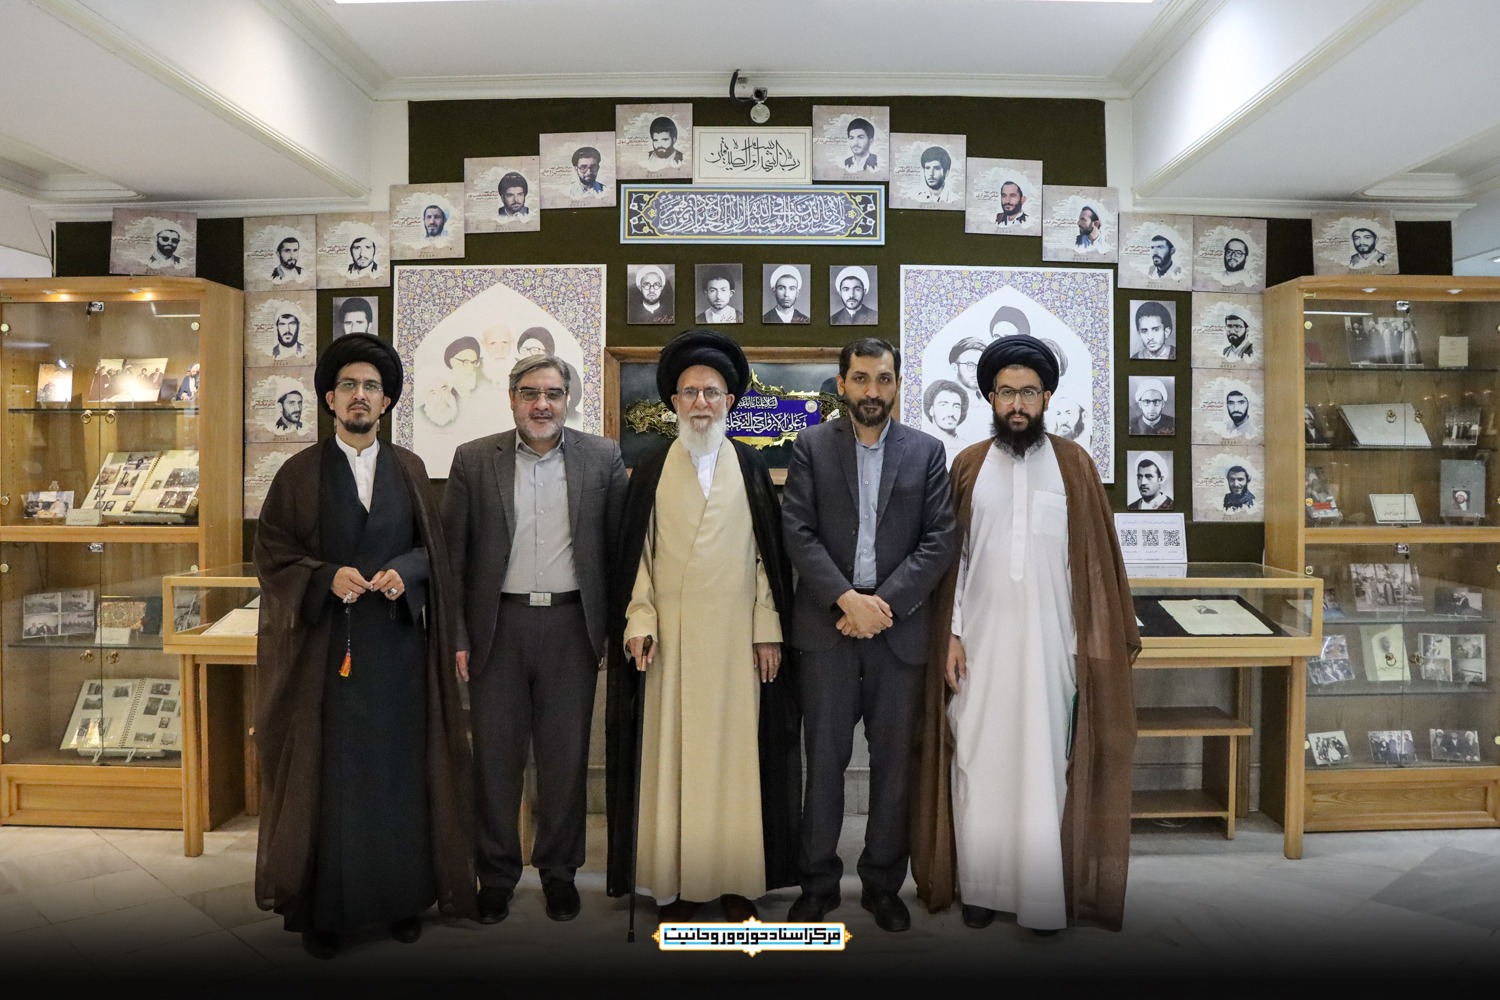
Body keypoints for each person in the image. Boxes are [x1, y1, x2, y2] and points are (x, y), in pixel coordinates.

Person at [253, 334, 475, 959]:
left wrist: (406, 570)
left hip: (398, 652)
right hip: (325, 656)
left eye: (371, 387)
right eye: (349, 386)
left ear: (387, 401)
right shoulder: (298, 474)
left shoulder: (409, 468)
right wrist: (325, 577)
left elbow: (432, 551)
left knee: (398, 776)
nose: (360, 396)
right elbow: (272, 554)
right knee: (329, 777)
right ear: (329, 399)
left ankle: (400, 901)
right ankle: (324, 912)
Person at [913, 334, 1139, 935]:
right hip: (979, 646)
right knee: (978, 759)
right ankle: (982, 888)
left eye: (1029, 393)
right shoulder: (968, 465)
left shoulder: (1075, 466)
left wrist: (1088, 645)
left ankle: (1041, 897)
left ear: (1047, 398)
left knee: (1045, 765)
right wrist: (951, 636)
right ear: (990, 397)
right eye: (1007, 392)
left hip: (1052, 647)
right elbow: (952, 563)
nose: (1018, 404)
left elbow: (1095, 566)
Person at [605, 330, 800, 925]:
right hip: (670, 643)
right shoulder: (650, 469)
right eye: (689, 393)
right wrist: (639, 618)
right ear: (673, 402)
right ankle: (680, 881)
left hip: (737, 643)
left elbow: (769, 557)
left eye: (712, 393)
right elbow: (637, 556)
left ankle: (737, 880)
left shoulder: (752, 467)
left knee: (736, 763)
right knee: (675, 760)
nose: (701, 404)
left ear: (730, 401)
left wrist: (767, 627)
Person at [443, 353, 627, 925]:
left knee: (564, 759)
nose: (541, 404)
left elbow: (620, 551)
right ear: (512, 399)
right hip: (498, 628)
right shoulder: (475, 460)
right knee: (495, 761)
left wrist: (613, 630)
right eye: (530, 393)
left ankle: (559, 873)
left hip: (573, 628)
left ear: (568, 399)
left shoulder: (603, 457)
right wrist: (458, 635)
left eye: (552, 393)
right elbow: (452, 558)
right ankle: (496, 876)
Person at [780, 337, 957, 932]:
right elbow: (797, 531)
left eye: (883, 379)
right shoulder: (810, 447)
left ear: (898, 384)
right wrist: (846, 599)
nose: (872, 391)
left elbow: (940, 538)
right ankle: (818, 884)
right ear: (841, 384)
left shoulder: (927, 452)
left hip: (897, 633)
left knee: (894, 768)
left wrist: (884, 605)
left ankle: (883, 885)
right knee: (824, 764)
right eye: (860, 378)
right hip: (827, 629)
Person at [923, 378, 968, 465]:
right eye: (943, 405)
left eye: (956, 406)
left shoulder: (967, 449)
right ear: (931, 409)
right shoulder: (920, 447)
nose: (951, 413)